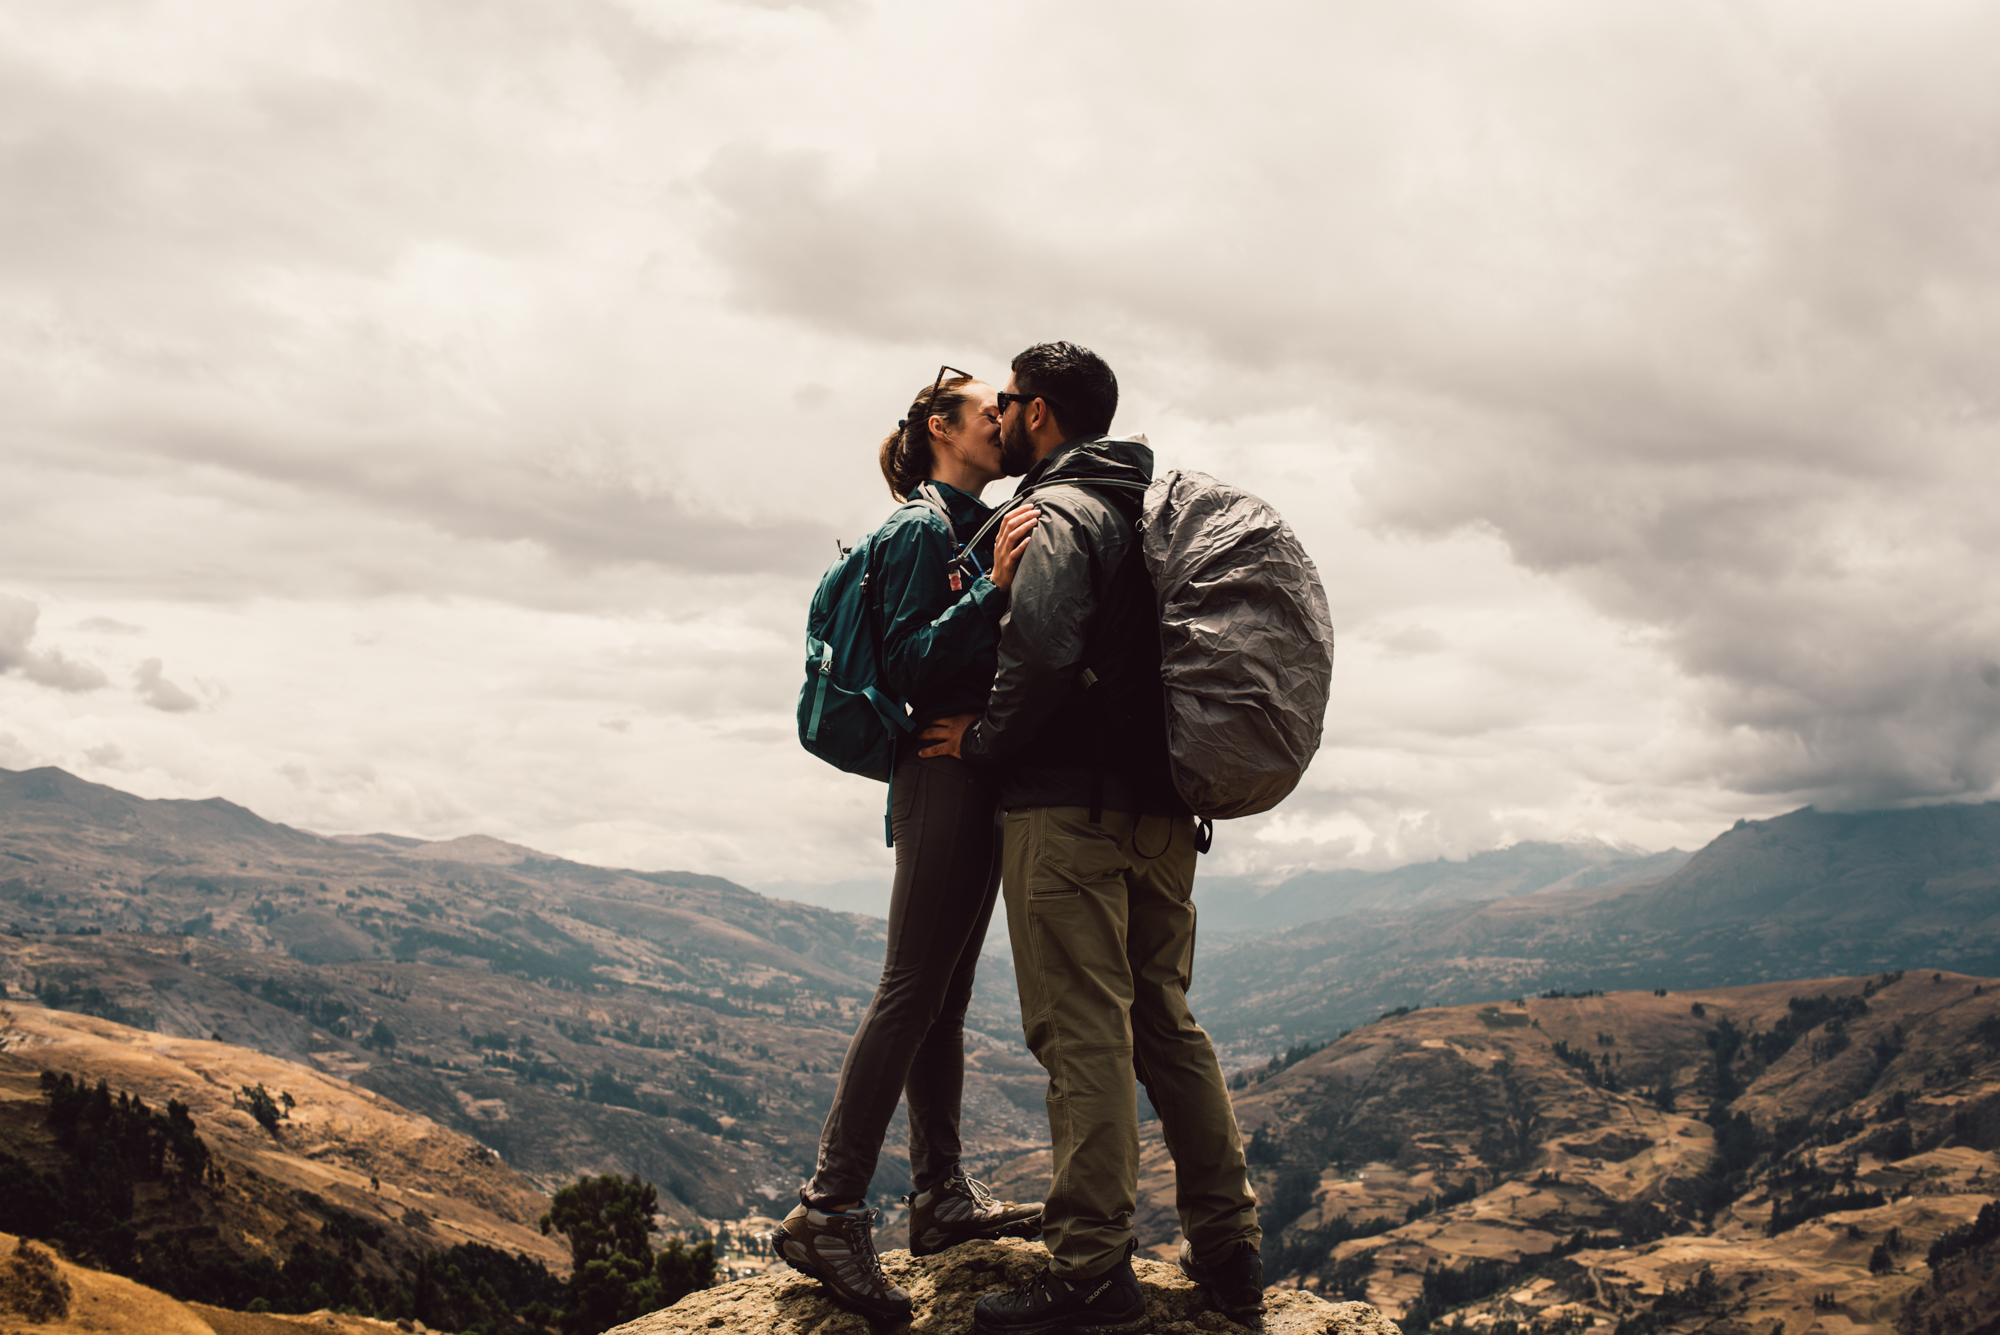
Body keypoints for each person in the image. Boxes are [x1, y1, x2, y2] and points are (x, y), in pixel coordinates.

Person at [919, 343, 1264, 1333]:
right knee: (1163, 1023)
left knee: (1082, 1036)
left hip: (1067, 814)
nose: (1006, 414)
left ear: (1037, 413)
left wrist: (980, 741)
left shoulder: (1057, 516)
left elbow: (1038, 653)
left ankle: (1089, 1275)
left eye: (1012, 400)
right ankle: (1229, 1251)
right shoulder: (1148, 513)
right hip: (1162, 813)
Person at [773, 368, 1046, 1323]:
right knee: (909, 989)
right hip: (939, 776)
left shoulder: (965, 524)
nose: (1001, 422)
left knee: (943, 997)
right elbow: (911, 663)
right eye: (986, 411)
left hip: (968, 776)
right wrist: (999, 591)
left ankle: (938, 1195)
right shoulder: (920, 531)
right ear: (943, 428)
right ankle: (828, 1207)